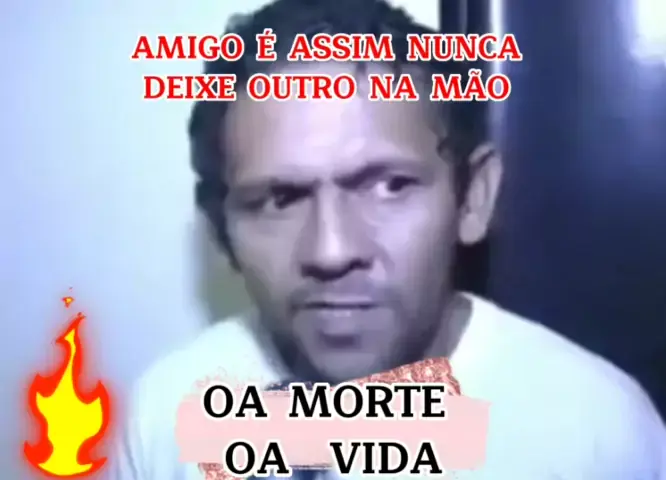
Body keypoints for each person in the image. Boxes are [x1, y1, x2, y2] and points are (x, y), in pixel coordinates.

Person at [110, 0, 666, 478]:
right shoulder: (168, 417)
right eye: (280, 199)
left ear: (473, 197)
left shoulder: (599, 434)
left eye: (389, 186)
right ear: (221, 229)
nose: (331, 251)